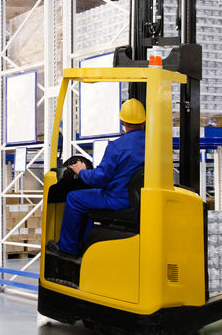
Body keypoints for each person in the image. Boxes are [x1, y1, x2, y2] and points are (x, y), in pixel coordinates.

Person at [47, 98, 147, 258]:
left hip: (117, 199)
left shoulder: (117, 147)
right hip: (142, 200)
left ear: (123, 121)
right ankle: (86, 244)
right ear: (144, 120)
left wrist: (81, 171)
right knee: (88, 200)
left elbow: (99, 179)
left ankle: (67, 248)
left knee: (74, 198)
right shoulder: (153, 144)